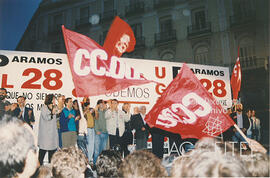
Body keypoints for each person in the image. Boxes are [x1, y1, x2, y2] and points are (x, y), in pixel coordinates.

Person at [38, 94, 59, 165]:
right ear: (50, 99)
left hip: (52, 133)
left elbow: (56, 118)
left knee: (52, 152)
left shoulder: (55, 107)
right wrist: (52, 113)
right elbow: (46, 118)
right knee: (42, 151)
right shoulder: (44, 108)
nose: (54, 100)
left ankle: (50, 169)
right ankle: (39, 168)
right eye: (53, 99)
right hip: (45, 134)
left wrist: (58, 113)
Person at [93, 99, 108, 164]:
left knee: (103, 151)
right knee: (96, 151)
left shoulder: (107, 112)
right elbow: (95, 122)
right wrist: (96, 130)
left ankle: (102, 165)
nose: (102, 105)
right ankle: (94, 164)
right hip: (98, 133)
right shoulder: (96, 112)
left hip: (105, 133)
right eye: (101, 104)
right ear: (98, 105)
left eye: (103, 103)